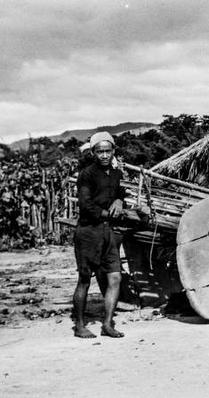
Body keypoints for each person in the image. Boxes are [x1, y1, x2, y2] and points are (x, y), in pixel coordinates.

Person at [72, 132, 126, 338]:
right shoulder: (87, 174)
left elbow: (121, 191)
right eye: (100, 151)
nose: (104, 155)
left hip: (108, 233)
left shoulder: (115, 173)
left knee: (115, 277)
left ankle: (107, 324)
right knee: (85, 279)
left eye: (108, 151)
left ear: (113, 151)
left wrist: (119, 201)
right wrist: (107, 214)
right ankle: (79, 325)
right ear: (93, 152)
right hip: (88, 232)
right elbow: (86, 206)